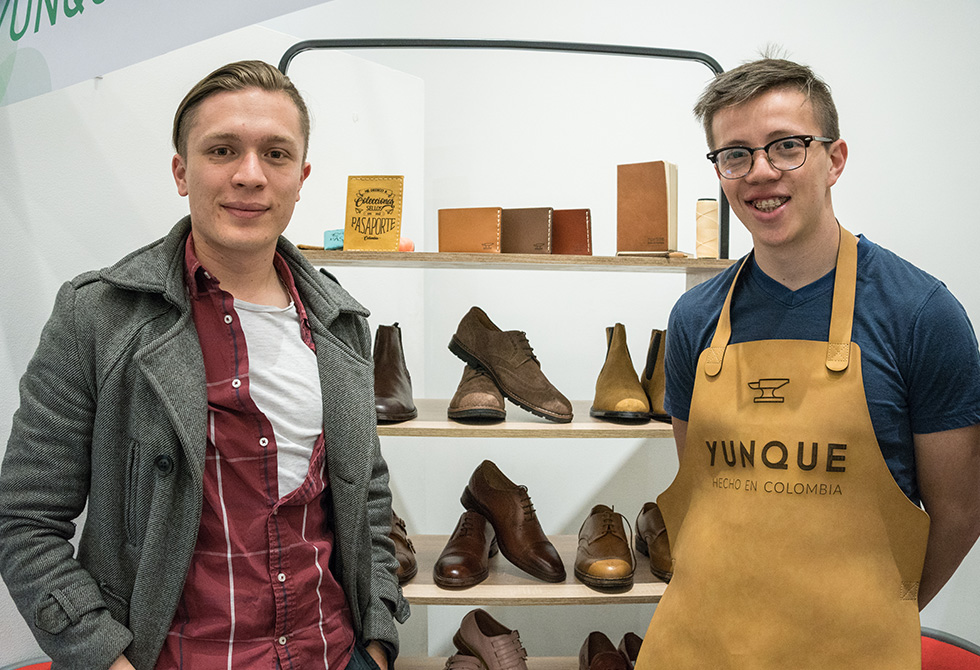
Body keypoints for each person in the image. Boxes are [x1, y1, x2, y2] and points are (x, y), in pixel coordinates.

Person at [0, 60, 409, 670]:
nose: (250, 175)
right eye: (222, 150)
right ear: (181, 172)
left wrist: (376, 640)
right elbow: (25, 520)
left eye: (275, 154)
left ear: (301, 178)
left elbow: (366, 496)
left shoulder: (340, 323)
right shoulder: (99, 318)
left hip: (331, 654)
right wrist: (101, 657)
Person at [638, 56, 980, 669]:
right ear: (720, 171)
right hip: (698, 645)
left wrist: (882, 611)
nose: (760, 172)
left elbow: (960, 511)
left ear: (835, 159)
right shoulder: (695, 320)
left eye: (787, 146)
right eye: (735, 154)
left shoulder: (921, 315)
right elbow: (701, 494)